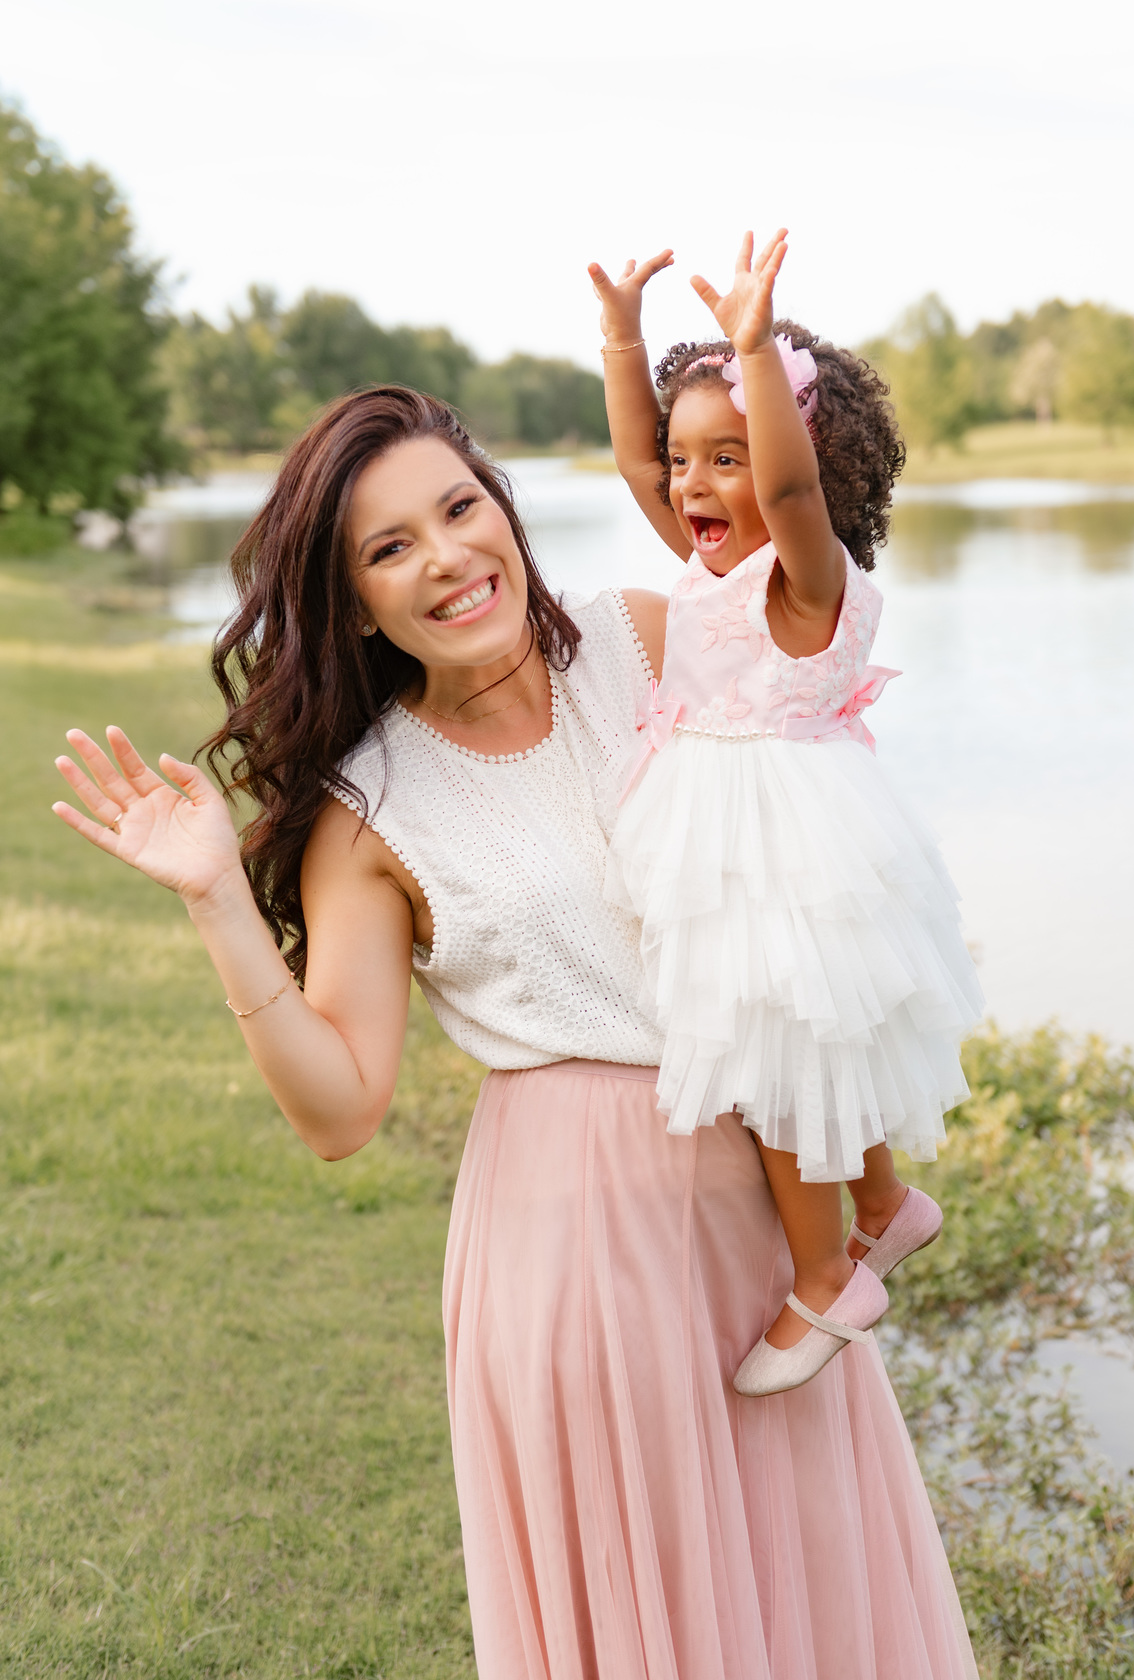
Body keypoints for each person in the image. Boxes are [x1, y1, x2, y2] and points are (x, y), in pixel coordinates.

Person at [52, 386, 978, 1678]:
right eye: (390, 548)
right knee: (656, 1614)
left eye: (458, 507)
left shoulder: (651, 637)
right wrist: (219, 901)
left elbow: (804, 733)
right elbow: (341, 1112)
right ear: (352, 602)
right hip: (576, 1248)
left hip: (767, 1211)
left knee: (814, 1581)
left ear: (502, 507)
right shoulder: (368, 810)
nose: (445, 557)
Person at [589, 232, 983, 1398]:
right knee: (808, 1041)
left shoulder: (805, 576)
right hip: (733, 834)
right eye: (687, 460)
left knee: (775, 1067)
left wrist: (757, 350)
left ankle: (827, 1277)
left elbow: (789, 490)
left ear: (801, 462)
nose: (692, 486)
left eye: (729, 459)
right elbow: (634, 464)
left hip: (782, 842)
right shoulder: (711, 562)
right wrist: (622, 341)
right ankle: (885, 1204)